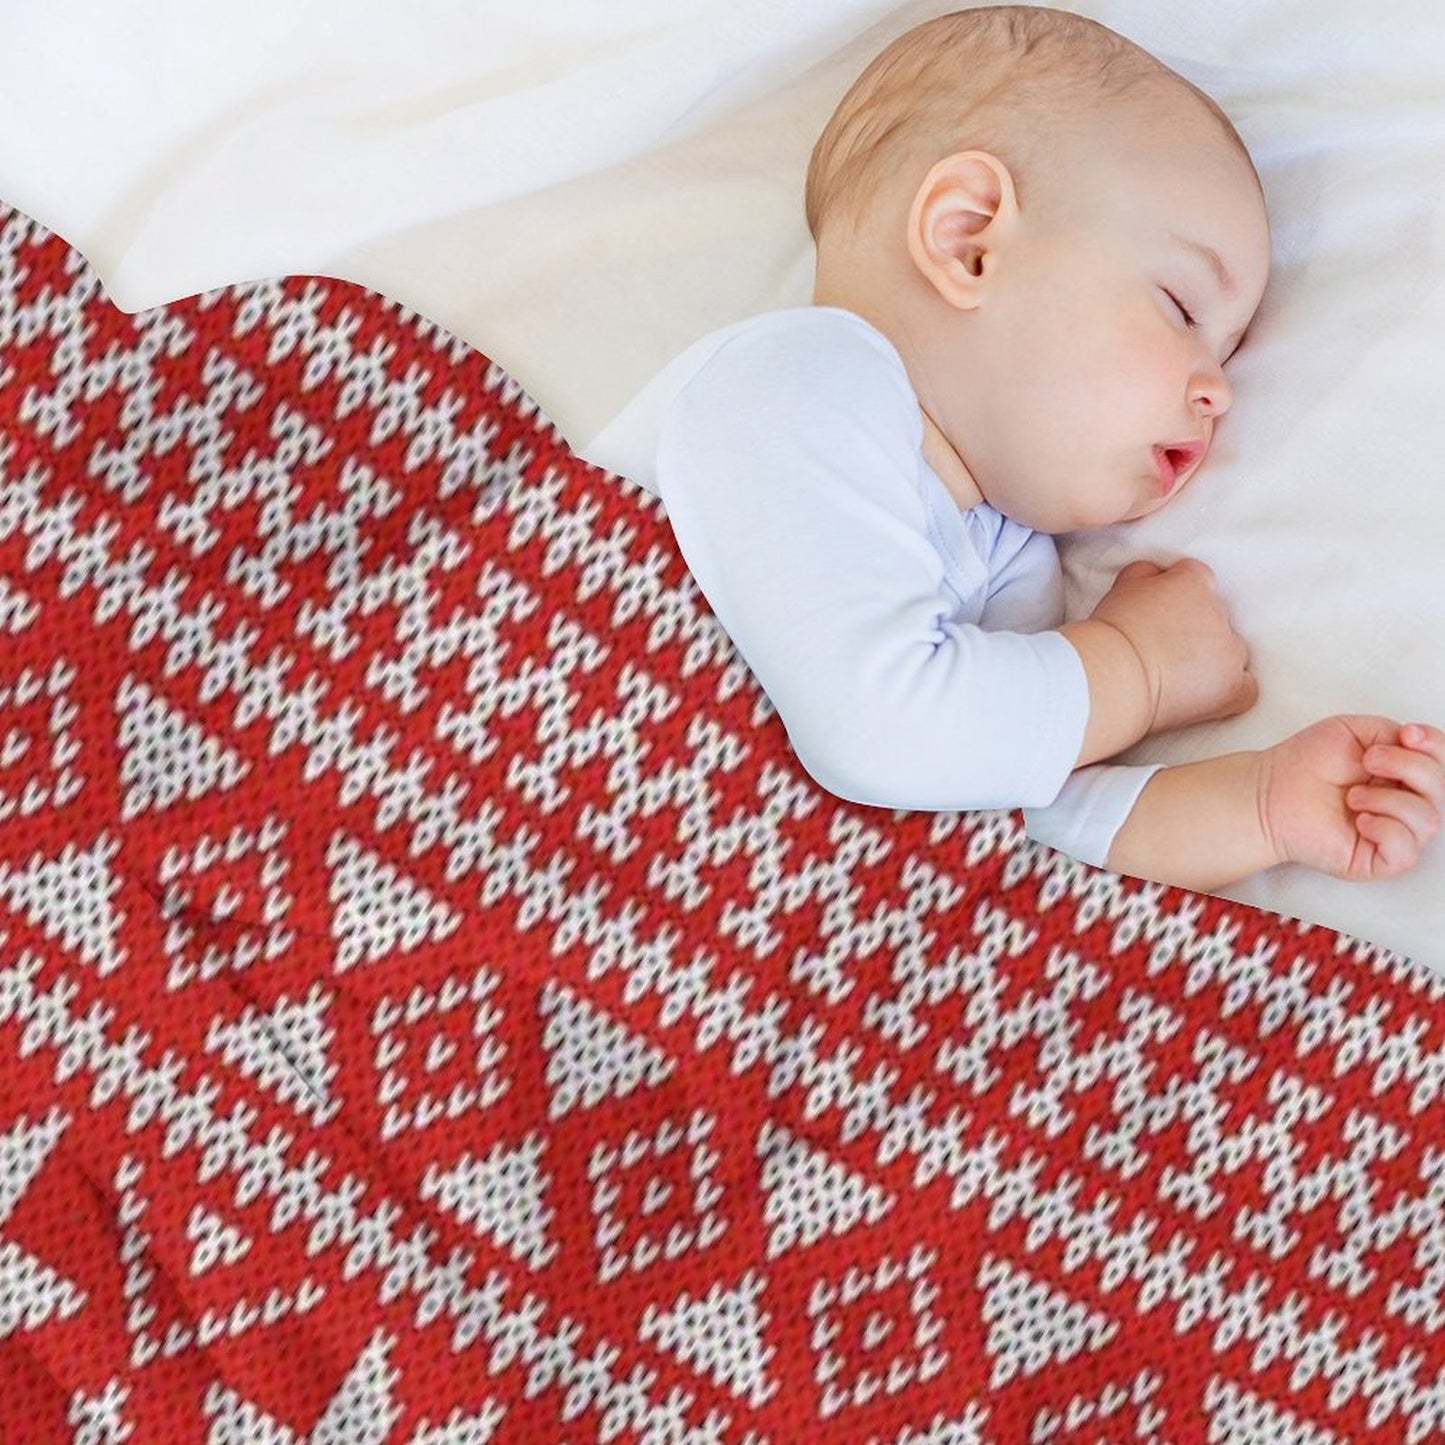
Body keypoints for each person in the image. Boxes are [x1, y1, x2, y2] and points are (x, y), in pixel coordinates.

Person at [586, 5, 1443, 892]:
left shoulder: (1003, 550)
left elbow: (1017, 814)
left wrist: (1262, 806)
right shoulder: (794, 381)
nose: (1216, 390)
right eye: (1182, 308)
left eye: (1225, 355)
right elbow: (880, 730)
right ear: (969, 242)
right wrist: (1134, 667)